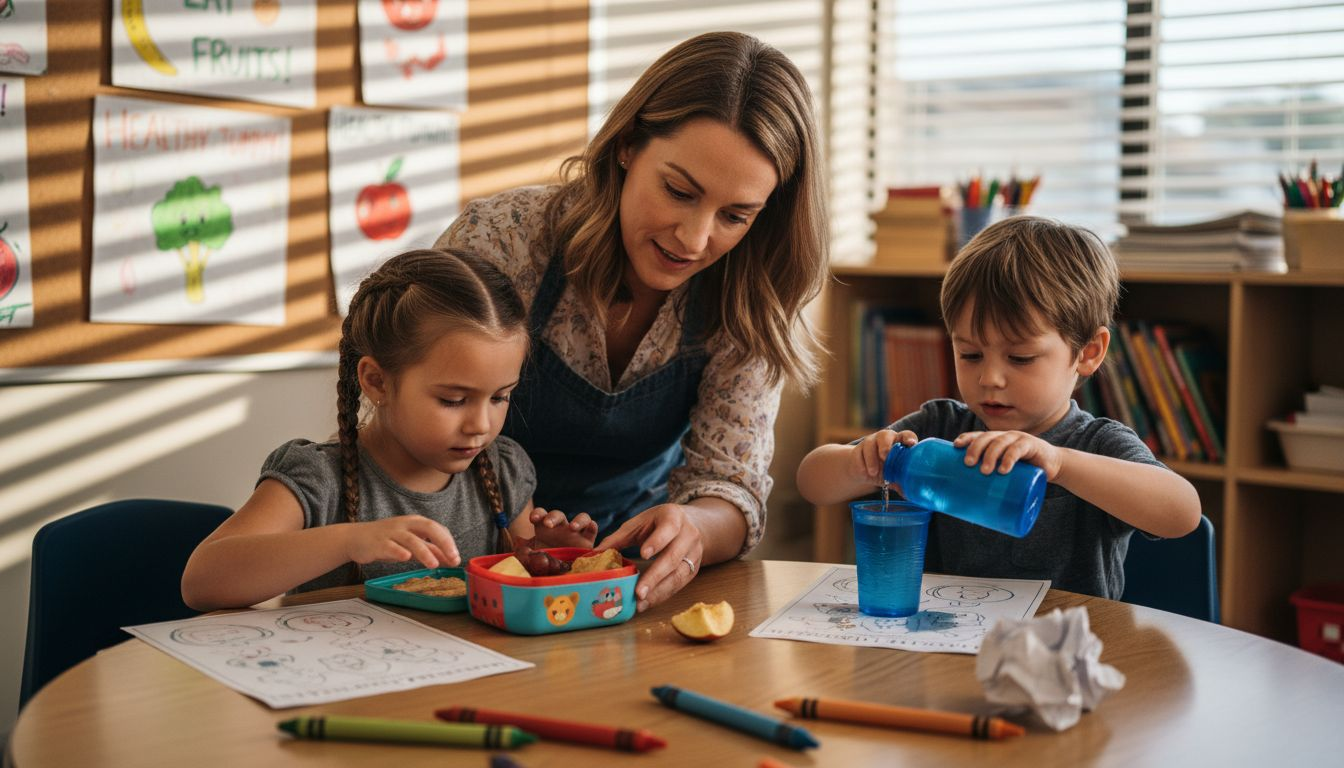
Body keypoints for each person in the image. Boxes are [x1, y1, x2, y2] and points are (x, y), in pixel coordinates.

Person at [434, 31, 827, 612]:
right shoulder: (505, 241)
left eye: (735, 215)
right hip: (467, 557)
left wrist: (693, 527)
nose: (694, 239)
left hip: (621, 580)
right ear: (627, 146)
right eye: (677, 191)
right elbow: (405, 427)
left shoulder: (748, 299)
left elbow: (731, 487)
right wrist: (510, 534)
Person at [796, 216, 1201, 599]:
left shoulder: (1096, 444)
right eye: (970, 354)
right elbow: (811, 482)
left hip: (1060, 655)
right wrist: (857, 463)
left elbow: (1182, 513)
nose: (990, 378)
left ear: (1088, 352)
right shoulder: (939, 427)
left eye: (1020, 358)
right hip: (949, 647)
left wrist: (1059, 463)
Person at [182, 249, 597, 611]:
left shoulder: (503, 469)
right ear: (377, 382)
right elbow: (202, 582)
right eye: (453, 400)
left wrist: (553, 556)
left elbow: (518, 585)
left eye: (499, 397)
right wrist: (349, 540)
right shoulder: (317, 479)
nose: (481, 425)